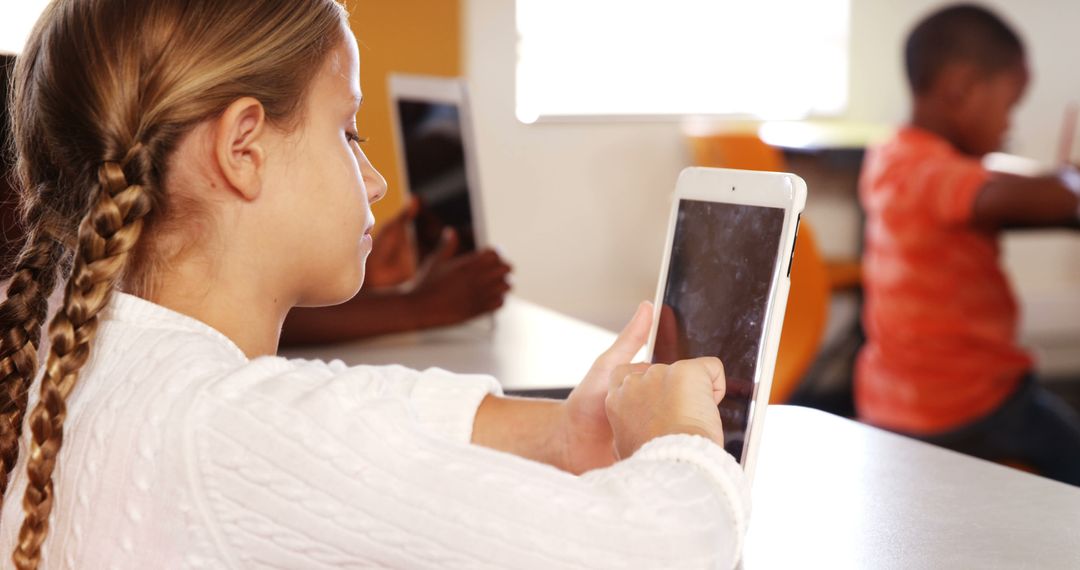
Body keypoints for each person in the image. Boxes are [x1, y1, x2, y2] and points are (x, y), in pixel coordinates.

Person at [0, 1, 748, 568]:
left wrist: (557, 433)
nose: (377, 179)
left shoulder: (84, 352)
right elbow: (655, 549)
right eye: (347, 130)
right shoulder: (226, 432)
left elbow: (348, 412)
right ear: (243, 148)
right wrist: (681, 438)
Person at [856, 3, 1080, 485]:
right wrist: (1068, 187)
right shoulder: (935, 175)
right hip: (966, 401)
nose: (1008, 125)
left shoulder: (892, 156)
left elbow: (982, 177)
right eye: (1008, 106)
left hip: (888, 400)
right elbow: (994, 193)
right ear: (961, 89)